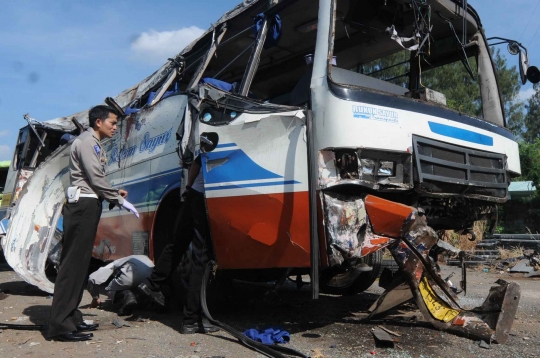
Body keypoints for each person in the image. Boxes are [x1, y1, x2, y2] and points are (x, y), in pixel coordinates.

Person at [46, 105, 137, 342]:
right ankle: (60, 325)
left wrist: (114, 191)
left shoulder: (91, 142)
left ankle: (71, 317)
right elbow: (95, 178)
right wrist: (115, 198)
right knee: (72, 266)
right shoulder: (88, 142)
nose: (115, 127)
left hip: (87, 205)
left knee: (79, 265)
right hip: (82, 207)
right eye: (113, 123)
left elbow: (91, 178)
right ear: (98, 122)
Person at [139, 154, 219, 334]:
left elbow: (197, 162)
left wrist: (189, 188)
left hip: (193, 195)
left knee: (178, 244)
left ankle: (152, 283)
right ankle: (193, 319)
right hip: (204, 199)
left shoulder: (210, 141)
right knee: (202, 257)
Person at [87, 255, 154, 316]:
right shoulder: (143, 257)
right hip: (150, 276)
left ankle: (127, 295)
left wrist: (95, 298)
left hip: (130, 275)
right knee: (138, 286)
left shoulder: (118, 261)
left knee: (109, 290)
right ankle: (143, 300)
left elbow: (92, 278)